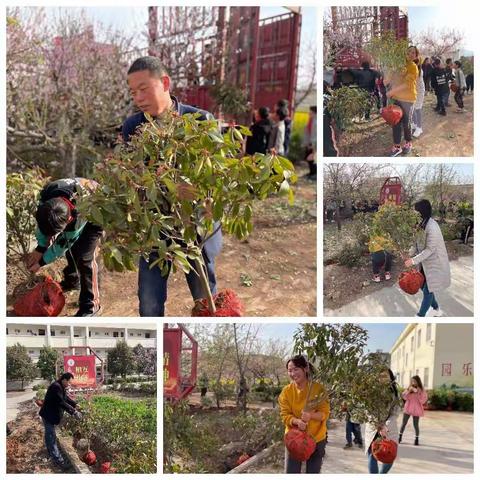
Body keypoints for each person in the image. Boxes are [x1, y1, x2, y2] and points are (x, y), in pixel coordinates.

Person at [122, 56, 222, 316]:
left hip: (194, 225)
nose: (138, 97)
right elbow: (131, 175)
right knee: (149, 303)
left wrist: (199, 197)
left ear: (165, 82)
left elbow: (218, 177)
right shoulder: (133, 127)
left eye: (143, 88)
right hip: (155, 225)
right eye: (133, 92)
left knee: (205, 297)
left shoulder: (201, 121)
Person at [25, 178, 102, 316]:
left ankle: (91, 306)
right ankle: (72, 281)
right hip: (71, 205)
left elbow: (64, 243)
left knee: (85, 258)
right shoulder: (47, 196)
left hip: (96, 210)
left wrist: (41, 262)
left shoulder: (78, 212)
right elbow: (42, 226)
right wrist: (40, 248)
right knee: (73, 250)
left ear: (68, 221)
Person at [279, 355, 330, 474]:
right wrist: (297, 422)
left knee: (313, 472)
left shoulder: (318, 389)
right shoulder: (286, 392)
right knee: (291, 472)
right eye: (289, 370)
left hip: (316, 438)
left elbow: (324, 414)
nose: (292, 373)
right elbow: (284, 415)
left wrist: (311, 416)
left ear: (305, 369)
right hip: (294, 439)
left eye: (296, 369)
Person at [404, 199, 451, 317]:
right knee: (423, 286)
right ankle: (436, 308)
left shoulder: (432, 227)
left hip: (435, 263)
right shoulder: (420, 223)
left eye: (415, 211)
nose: (413, 213)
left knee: (428, 290)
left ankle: (420, 316)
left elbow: (430, 249)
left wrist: (413, 260)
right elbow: (415, 243)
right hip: (424, 263)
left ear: (421, 211)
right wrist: (409, 254)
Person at [39, 373, 82, 470]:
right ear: (64, 380)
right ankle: (59, 461)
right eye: (69, 382)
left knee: (49, 435)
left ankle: (51, 453)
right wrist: (74, 412)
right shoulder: (56, 387)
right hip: (48, 416)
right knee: (51, 437)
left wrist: (75, 404)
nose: (69, 384)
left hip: (49, 415)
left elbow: (65, 398)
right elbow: (61, 402)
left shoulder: (60, 386)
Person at [364, 368, 400, 474]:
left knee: (390, 455)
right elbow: (367, 410)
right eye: (381, 376)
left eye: (386, 376)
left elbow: (395, 412)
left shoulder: (394, 393)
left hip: (389, 428)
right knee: (373, 454)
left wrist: (386, 425)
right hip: (373, 428)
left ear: (390, 378)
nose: (383, 378)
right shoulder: (371, 392)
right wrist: (377, 424)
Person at [386, 45, 418, 156]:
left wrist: (392, 92)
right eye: (409, 52)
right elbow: (387, 81)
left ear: (416, 56)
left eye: (413, 52)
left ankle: (408, 142)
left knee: (406, 123)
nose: (411, 54)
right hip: (397, 98)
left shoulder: (413, 67)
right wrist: (389, 71)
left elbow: (407, 84)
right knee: (395, 122)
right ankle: (396, 146)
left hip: (408, 100)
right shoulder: (398, 66)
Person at [398, 375, 428, 446]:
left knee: (416, 425)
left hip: (416, 409)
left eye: (414, 381)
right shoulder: (409, 388)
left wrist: (418, 392)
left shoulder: (421, 390)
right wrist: (409, 391)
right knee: (403, 423)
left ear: (418, 381)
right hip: (408, 408)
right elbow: (404, 397)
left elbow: (423, 400)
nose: (413, 382)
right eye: (412, 381)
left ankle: (416, 439)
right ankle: (399, 437)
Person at [412, 56, 425, 138]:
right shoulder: (413, 69)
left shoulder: (418, 70)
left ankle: (419, 128)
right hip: (413, 91)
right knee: (413, 108)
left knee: (418, 109)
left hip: (419, 92)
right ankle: (415, 123)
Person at [303, 106, 317, 179]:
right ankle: (311, 172)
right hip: (310, 142)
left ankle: (315, 174)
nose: (309, 113)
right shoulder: (311, 120)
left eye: (310, 112)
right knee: (308, 158)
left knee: (314, 158)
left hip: (314, 143)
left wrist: (313, 145)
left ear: (314, 113)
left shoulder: (316, 121)